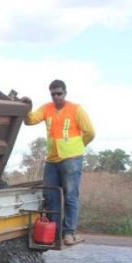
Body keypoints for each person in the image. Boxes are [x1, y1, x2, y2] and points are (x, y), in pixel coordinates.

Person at [22, 79, 95, 246]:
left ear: (65, 93)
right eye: (53, 94)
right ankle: (54, 232)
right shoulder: (47, 108)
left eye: (59, 93)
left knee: (70, 196)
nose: (56, 97)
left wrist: (78, 146)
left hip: (71, 159)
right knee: (50, 196)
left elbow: (90, 132)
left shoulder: (76, 109)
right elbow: (30, 120)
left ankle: (69, 232)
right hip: (52, 159)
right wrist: (28, 107)